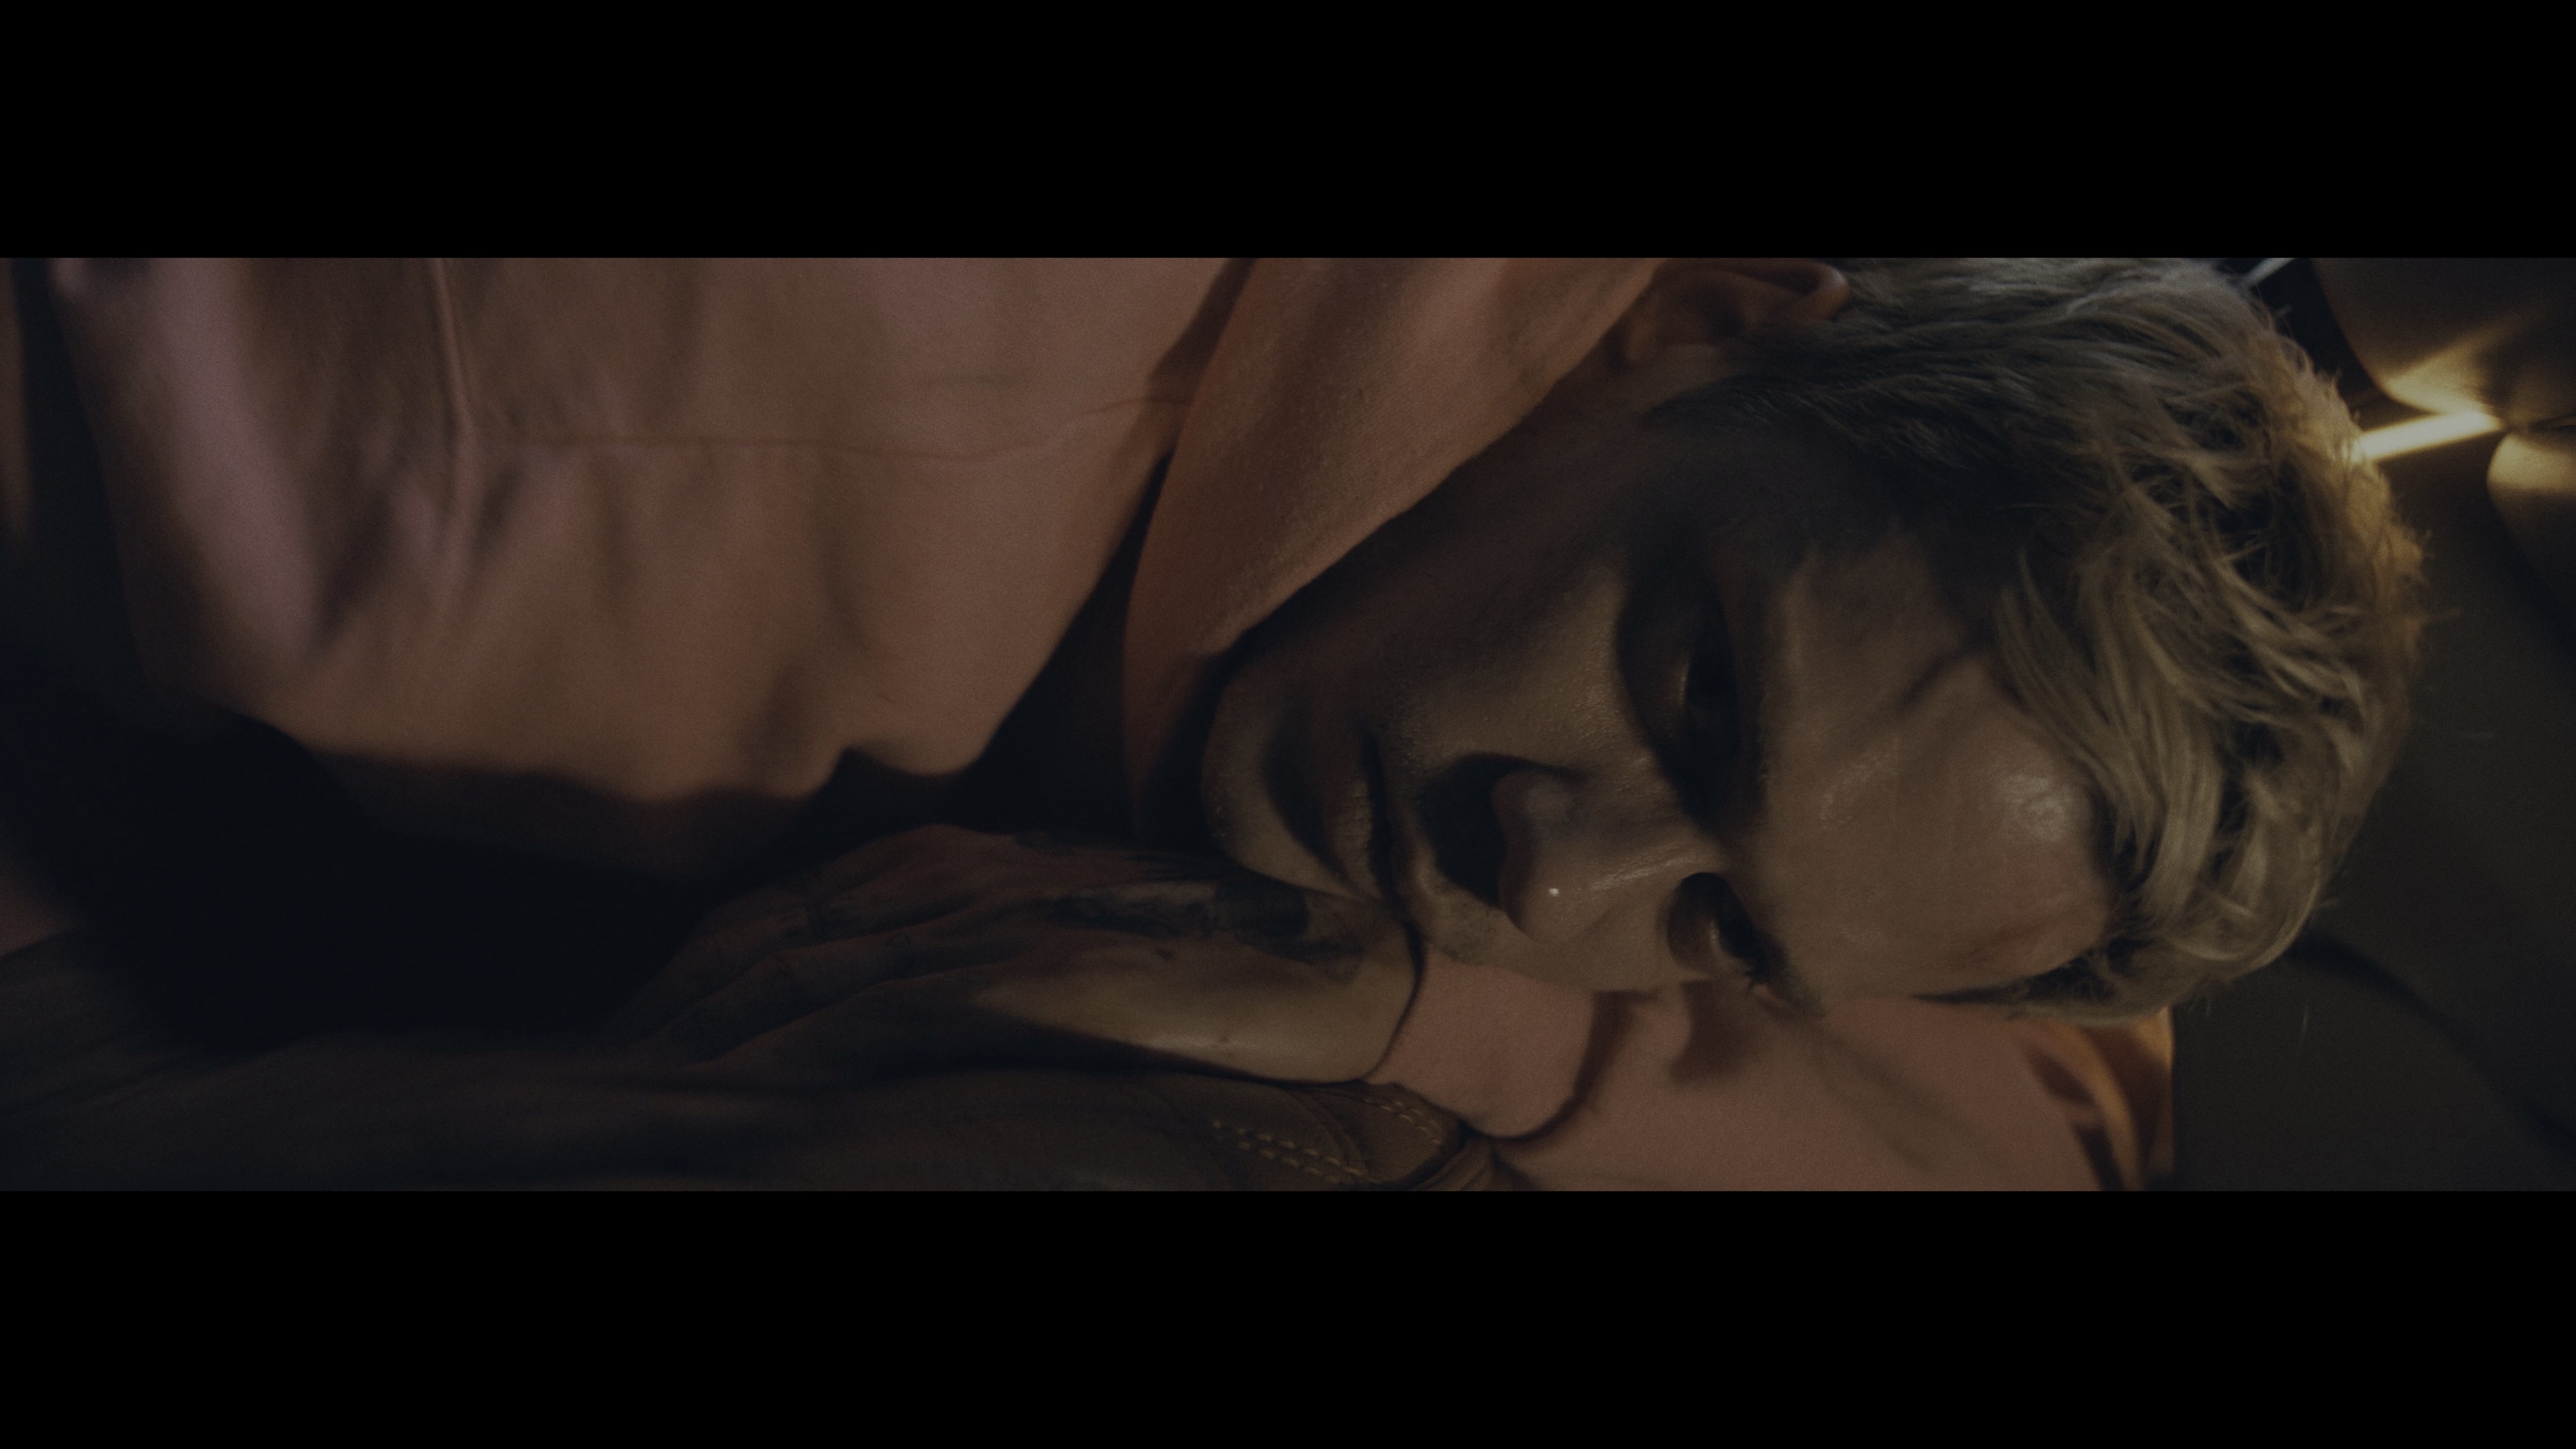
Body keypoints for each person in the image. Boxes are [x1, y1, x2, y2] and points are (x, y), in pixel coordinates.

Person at [0, 258, 2421, 1187]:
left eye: (1724, 928)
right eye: (1692, 693)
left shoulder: (1866, 711)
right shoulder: (753, 383)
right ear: (1711, 325)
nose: (1544, 872)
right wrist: (67, 1068)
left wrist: (1426, 1015)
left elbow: (2026, 1139)